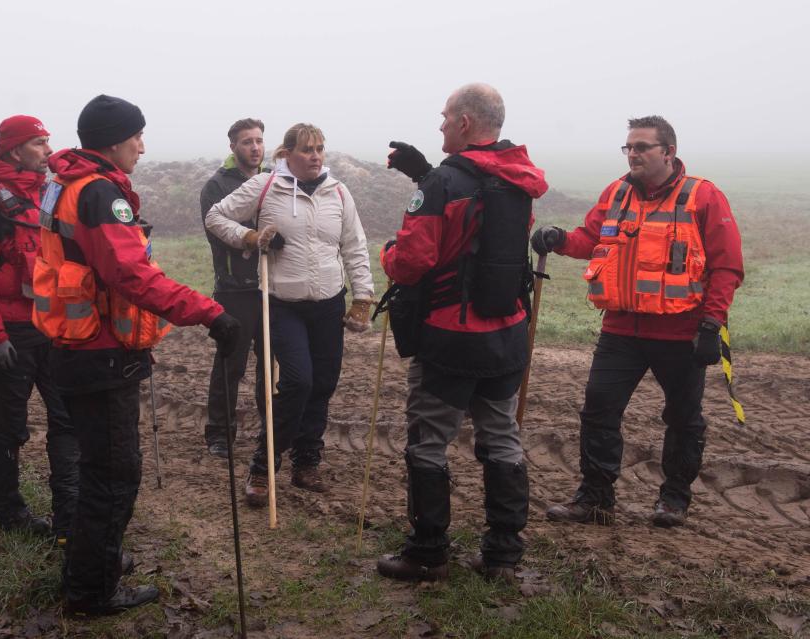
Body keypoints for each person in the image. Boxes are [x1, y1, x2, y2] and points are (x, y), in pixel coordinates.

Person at [35, 95, 241, 615]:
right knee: (114, 474)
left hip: (75, 346)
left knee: (99, 469)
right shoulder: (101, 193)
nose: (143, 148)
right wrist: (209, 312)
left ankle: (90, 563)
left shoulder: (63, 182)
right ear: (112, 140)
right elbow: (130, 274)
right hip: (101, 353)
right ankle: (90, 592)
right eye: (137, 137)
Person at [533, 115, 744, 528]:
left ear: (668, 152)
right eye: (628, 147)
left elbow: (727, 267)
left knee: (684, 418)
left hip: (681, 332)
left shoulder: (704, 196)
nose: (633, 154)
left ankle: (673, 500)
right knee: (598, 409)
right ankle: (595, 499)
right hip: (620, 329)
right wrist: (558, 239)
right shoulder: (616, 192)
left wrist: (711, 324)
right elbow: (589, 239)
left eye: (642, 147)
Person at [376, 83, 548, 583]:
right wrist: (429, 173)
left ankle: (427, 553)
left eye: (446, 116)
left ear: (466, 123)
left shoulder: (442, 185)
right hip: (508, 334)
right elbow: (479, 221)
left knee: (428, 442)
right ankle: (503, 556)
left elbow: (411, 263)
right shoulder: (520, 178)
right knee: (502, 439)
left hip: (450, 339)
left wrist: (389, 252)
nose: (441, 124)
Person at [205, 122, 374, 506]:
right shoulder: (267, 186)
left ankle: (306, 462)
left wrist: (362, 298)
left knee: (323, 384)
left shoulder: (339, 192)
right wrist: (250, 237)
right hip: (283, 304)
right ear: (287, 155)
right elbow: (217, 217)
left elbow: (354, 245)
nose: (315, 156)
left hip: (329, 303)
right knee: (298, 382)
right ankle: (264, 466)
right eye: (307, 150)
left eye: (320, 149)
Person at [0, 115, 79, 543]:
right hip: (9, 331)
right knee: (9, 425)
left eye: (47, 142)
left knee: (68, 416)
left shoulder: (49, 194)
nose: (48, 150)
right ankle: (9, 513)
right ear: (13, 150)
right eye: (39, 143)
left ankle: (70, 510)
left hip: (53, 326)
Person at [200, 118, 268, 458]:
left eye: (258, 140)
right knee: (231, 363)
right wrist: (254, 235)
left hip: (272, 286)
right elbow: (217, 231)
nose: (255, 147)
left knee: (271, 366)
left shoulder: (275, 179)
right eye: (246, 142)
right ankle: (219, 433)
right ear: (233, 147)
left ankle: (270, 432)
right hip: (234, 287)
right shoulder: (217, 185)